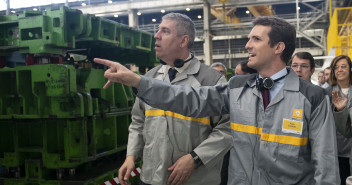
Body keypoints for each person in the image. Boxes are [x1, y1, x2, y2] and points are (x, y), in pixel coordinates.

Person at [94, 16, 340, 184]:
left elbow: (325, 164)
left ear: (278, 47)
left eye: (256, 39)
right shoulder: (237, 88)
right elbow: (187, 99)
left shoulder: (313, 97)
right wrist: (138, 81)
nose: (247, 45)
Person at [113, 13, 231, 185]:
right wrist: (131, 156)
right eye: (158, 30)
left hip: (195, 179)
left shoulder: (211, 80)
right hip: (151, 177)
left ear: (183, 41)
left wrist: (195, 158)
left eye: (165, 31)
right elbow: (138, 121)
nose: (156, 35)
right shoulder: (149, 78)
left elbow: (228, 128)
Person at [328, 55, 352, 185]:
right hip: (335, 148)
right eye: (336, 67)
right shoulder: (326, 93)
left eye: (344, 66)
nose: (340, 70)